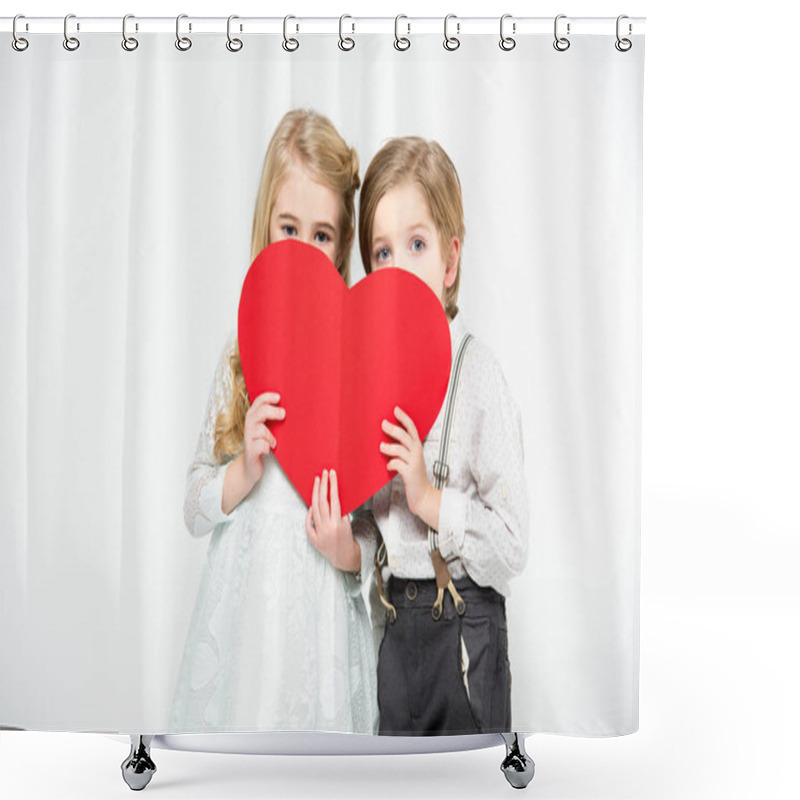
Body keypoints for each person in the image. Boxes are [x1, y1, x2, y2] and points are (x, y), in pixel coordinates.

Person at [168, 109, 378, 734]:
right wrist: (242, 471)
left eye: (322, 234)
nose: (306, 250)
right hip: (248, 613)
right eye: (290, 228)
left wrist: (349, 552)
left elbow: (374, 530)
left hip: (324, 620)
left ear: (341, 246)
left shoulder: (356, 363)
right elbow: (192, 506)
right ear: (266, 224)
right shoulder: (239, 355)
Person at [358, 137, 529, 735]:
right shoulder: (369, 385)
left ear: (450, 262)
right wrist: (341, 539)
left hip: (465, 629)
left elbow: (512, 546)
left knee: (465, 777)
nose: (399, 268)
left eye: (417, 245)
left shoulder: (477, 375)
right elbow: (365, 533)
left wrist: (430, 499)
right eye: (382, 252)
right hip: (394, 631)